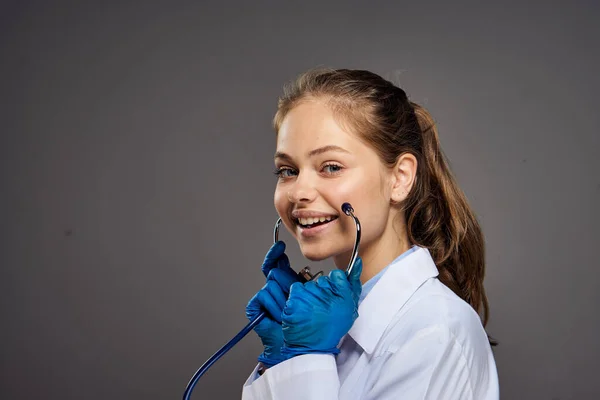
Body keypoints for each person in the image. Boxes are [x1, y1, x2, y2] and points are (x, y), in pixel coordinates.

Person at [242, 68, 499, 399]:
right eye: (288, 171)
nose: (299, 191)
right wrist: (280, 361)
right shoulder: (329, 325)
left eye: (331, 167)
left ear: (400, 178)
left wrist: (303, 360)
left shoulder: (435, 332)